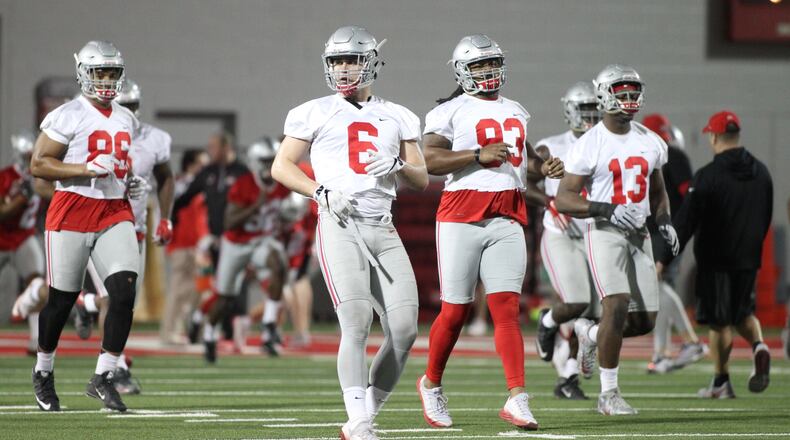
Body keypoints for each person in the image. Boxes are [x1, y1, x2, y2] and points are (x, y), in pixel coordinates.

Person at [272, 25, 427, 440]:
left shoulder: (398, 114)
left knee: (405, 330)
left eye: (352, 60)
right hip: (339, 223)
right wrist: (319, 191)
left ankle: (366, 414)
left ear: (371, 62)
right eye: (337, 61)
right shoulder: (313, 111)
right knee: (356, 321)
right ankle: (358, 421)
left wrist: (397, 166)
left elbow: (421, 178)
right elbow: (281, 166)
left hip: (383, 226)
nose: (343, 68)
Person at [418, 34, 564, 431]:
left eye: (492, 63)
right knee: (455, 311)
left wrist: (544, 168)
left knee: (506, 309)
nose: (488, 70)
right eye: (479, 65)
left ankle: (517, 397)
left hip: (507, 215)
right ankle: (431, 384)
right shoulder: (449, 111)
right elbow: (429, 159)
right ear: (462, 71)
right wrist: (475, 155)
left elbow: (523, 163)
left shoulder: (515, 109)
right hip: (460, 215)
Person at [29, 40, 147, 412]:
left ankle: (103, 377)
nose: (107, 80)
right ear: (84, 73)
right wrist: (84, 169)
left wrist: (130, 180)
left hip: (114, 210)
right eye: (100, 73)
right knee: (61, 302)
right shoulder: (67, 114)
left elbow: (118, 163)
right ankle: (43, 370)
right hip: (72, 209)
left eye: (112, 73)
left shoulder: (126, 118)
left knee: (124, 293)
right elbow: (39, 164)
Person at [555, 64, 678, 415]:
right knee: (617, 303)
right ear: (604, 94)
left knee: (644, 321)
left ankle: (591, 335)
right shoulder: (589, 144)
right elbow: (564, 199)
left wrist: (664, 220)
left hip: (640, 234)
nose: (629, 98)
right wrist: (606, 209)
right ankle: (608, 394)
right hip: (604, 231)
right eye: (622, 91)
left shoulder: (651, 140)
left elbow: (658, 190)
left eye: (633, 91)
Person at [664, 110, 773, 398]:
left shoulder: (708, 176)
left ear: (713, 136)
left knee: (720, 322)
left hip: (716, 260)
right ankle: (759, 346)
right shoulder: (762, 172)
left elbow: (686, 222)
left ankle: (721, 381)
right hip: (749, 257)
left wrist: (664, 257)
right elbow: (765, 217)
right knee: (743, 313)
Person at [533, 81, 602, 401]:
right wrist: (549, 202)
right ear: (570, 110)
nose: (590, 116)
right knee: (576, 303)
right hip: (561, 235)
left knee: (595, 314)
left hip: (596, 235)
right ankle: (548, 321)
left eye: (594, 108)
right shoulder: (551, 147)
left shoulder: (607, 144)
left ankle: (569, 375)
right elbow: (522, 183)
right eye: (584, 108)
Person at [202, 136, 290, 362]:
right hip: (236, 244)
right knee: (225, 297)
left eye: (273, 160)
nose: (270, 165)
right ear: (255, 162)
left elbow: (284, 215)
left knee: (279, 265)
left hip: (261, 240)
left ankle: (269, 325)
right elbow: (228, 222)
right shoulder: (244, 184)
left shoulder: (282, 183)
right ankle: (209, 333)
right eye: (266, 161)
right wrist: (255, 206)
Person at [641, 113, 707, 374]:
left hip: (666, 231)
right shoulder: (657, 155)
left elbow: (688, 195)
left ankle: (691, 341)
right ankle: (661, 352)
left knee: (655, 286)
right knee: (657, 291)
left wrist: (681, 229)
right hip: (659, 231)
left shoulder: (671, 155)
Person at [160, 149, 210, 345]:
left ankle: (194, 330)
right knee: (178, 290)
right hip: (181, 244)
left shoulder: (201, 185)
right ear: (191, 165)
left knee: (201, 289)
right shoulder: (181, 184)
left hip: (198, 245)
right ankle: (170, 332)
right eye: (202, 165)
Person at [3, 131, 46, 354]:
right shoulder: (5, 177)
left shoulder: (40, 177)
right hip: (2, 236)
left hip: (24, 237)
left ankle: (36, 339)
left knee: (37, 284)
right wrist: (20, 199)